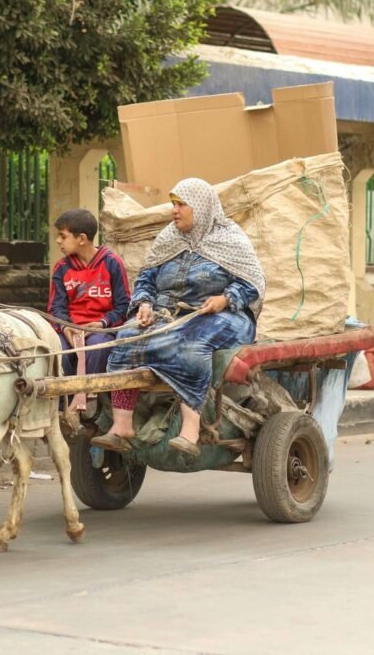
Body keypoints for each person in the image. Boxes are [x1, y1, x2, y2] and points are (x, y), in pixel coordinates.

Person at [92, 178, 266, 458]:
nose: (175, 210)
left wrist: (225, 298)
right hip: (169, 317)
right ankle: (122, 426)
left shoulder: (230, 239)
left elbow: (253, 283)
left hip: (222, 316)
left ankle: (191, 428)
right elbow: (146, 278)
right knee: (127, 336)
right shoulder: (168, 238)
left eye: (181, 204)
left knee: (192, 344)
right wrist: (145, 304)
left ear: (201, 207)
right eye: (173, 204)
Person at [48, 208, 131, 376]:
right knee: (59, 351)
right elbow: (56, 309)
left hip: (101, 330)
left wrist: (102, 324)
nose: (58, 241)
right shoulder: (61, 268)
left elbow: (123, 307)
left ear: (82, 239)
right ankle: (65, 400)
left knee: (96, 348)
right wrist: (66, 328)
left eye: (63, 236)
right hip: (69, 330)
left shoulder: (112, 263)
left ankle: (89, 398)